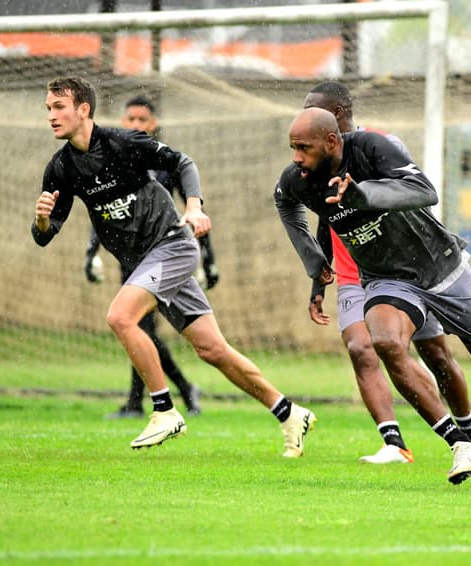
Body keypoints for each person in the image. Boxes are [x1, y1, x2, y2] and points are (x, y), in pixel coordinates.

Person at [274, 106, 471, 486]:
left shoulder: (372, 149)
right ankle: (460, 443)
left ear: (331, 140)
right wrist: (313, 260)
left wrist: (363, 193)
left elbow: (424, 191)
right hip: (387, 278)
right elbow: (284, 202)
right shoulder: (299, 178)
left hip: (441, 267)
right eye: (292, 147)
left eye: (303, 147)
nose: (296, 156)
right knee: (384, 342)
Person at [32, 76, 315, 456]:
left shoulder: (122, 141)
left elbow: (183, 161)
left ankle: (164, 409)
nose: (51, 115)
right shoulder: (61, 169)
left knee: (120, 317)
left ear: (84, 109)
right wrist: (42, 221)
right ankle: (289, 412)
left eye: (59, 107)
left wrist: (194, 206)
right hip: (144, 263)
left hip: (172, 245)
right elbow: (46, 234)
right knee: (213, 350)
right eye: (48, 108)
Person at [302, 80, 471, 465]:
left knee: (436, 355)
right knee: (362, 347)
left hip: (405, 271)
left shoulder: (379, 146)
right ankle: (395, 443)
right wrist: (319, 278)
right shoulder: (312, 161)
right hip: (354, 275)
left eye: (312, 109)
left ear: (337, 117)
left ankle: (468, 435)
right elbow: (325, 213)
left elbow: (412, 196)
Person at [85, 95, 210, 420]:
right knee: (137, 327)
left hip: (165, 255)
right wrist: (91, 252)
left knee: (140, 327)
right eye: (131, 120)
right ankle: (164, 394)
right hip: (130, 258)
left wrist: (209, 259)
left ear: (153, 124)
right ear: (123, 122)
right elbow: (104, 211)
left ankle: (155, 397)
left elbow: (194, 209)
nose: (136, 125)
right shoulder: (113, 159)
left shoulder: (164, 163)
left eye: (143, 120)